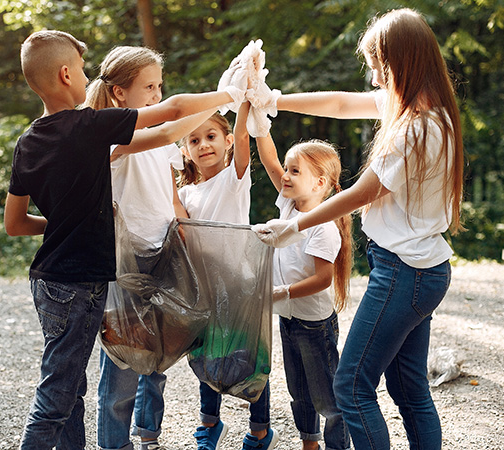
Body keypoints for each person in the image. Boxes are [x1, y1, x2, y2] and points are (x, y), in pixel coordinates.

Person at [4, 30, 238, 450]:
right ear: (64, 74)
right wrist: (228, 92)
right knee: (56, 397)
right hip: (80, 282)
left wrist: (63, 224)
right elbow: (173, 118)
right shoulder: (88, 127)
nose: (83, 76)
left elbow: (15, 224)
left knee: (70, 387)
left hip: (47, 280)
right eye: (78, 69)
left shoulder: (26, 143)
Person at [252, 8, 465, 450]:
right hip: (420, 269)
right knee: (408, 389)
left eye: (377, 69)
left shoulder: (416, 129)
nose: (372, 80)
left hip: (404, 272)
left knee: (350, 387)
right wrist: (274, 100)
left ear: (397, 64)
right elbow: (341, 102)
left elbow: (361, 193)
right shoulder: (423, 108)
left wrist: (294, 225)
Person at [82, 45, 242, 450]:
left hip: (164, 252)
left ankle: (147, 434)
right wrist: (230, 90)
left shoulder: (160, 142)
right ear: (120, 93)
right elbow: (170, 124)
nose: (156, 95)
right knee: (122, 363)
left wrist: (183, 237)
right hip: (127, 259)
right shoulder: (107, 132)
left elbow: (170, 197)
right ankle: (113, 444)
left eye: (159, 87)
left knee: (158, 353)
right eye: (148, 87)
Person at [176, 104, 277, 450]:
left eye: (211, 136)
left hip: (241, 285)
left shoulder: (234, 178)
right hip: (204, 290)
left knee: (250, 359)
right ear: (185, 152)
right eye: (194, 140)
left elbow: (245, 141)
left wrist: (244, 99)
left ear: (228, 140)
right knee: (206, 357)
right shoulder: (186, 194)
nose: (204, 144)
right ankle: (209, 424)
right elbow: (179, 224)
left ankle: (260, 430)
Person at [255, 126, 353, 450]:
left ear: (319, 183)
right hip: (288, 320)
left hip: (314, 325)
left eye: (294, 170)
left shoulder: (324, 228)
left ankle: (337, 446)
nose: (284, 175)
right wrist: (259, 116)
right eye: (287, 168)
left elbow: (323, 279)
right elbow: (269, 161)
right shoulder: (289, 206)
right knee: (299, 391)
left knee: (328, 397)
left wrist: (281, 293)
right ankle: (309, 443)